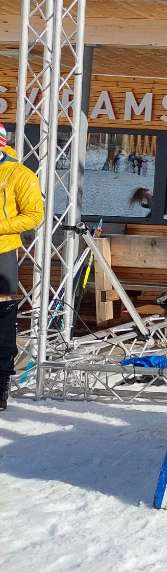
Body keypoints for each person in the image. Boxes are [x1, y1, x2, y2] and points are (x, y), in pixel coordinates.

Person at [0, 124, 45, 412]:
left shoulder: (19, 174)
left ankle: (0, 382)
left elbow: (34, 215)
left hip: (2, 253)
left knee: (1, 321)